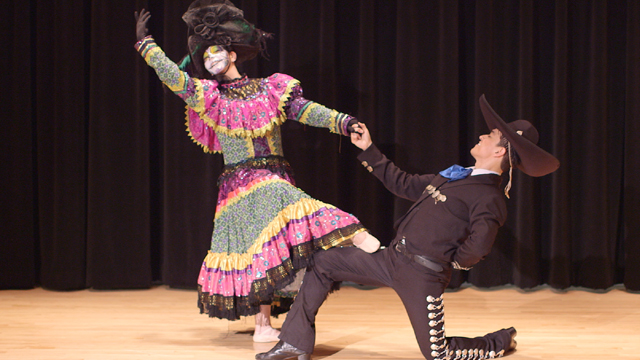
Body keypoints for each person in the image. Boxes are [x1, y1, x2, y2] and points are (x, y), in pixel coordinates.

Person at [133, 0, 380, 343]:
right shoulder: (210, 96)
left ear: (232, 54)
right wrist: (147, 46)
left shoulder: (271, 89)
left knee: (274, 235)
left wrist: (344, 122)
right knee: (258, 252)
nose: (210, 60)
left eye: (215, 52)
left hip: (273, 175)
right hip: (238, 185)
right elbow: (175, 79)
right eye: (204, 57)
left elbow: (307, 110)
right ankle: (264, 323)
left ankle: (344, 237)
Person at [256, 95, 560, 360]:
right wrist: (369, 149)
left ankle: (499, 341)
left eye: (490, 136)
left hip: (422, 275)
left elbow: (479, 245)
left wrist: (447, 261)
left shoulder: (490, 196)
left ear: (499, 152)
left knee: (438, 354)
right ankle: (294, 342)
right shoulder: (456, 175)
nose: (482, 136)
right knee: (323, 262)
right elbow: (403, 183)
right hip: (392, 259)